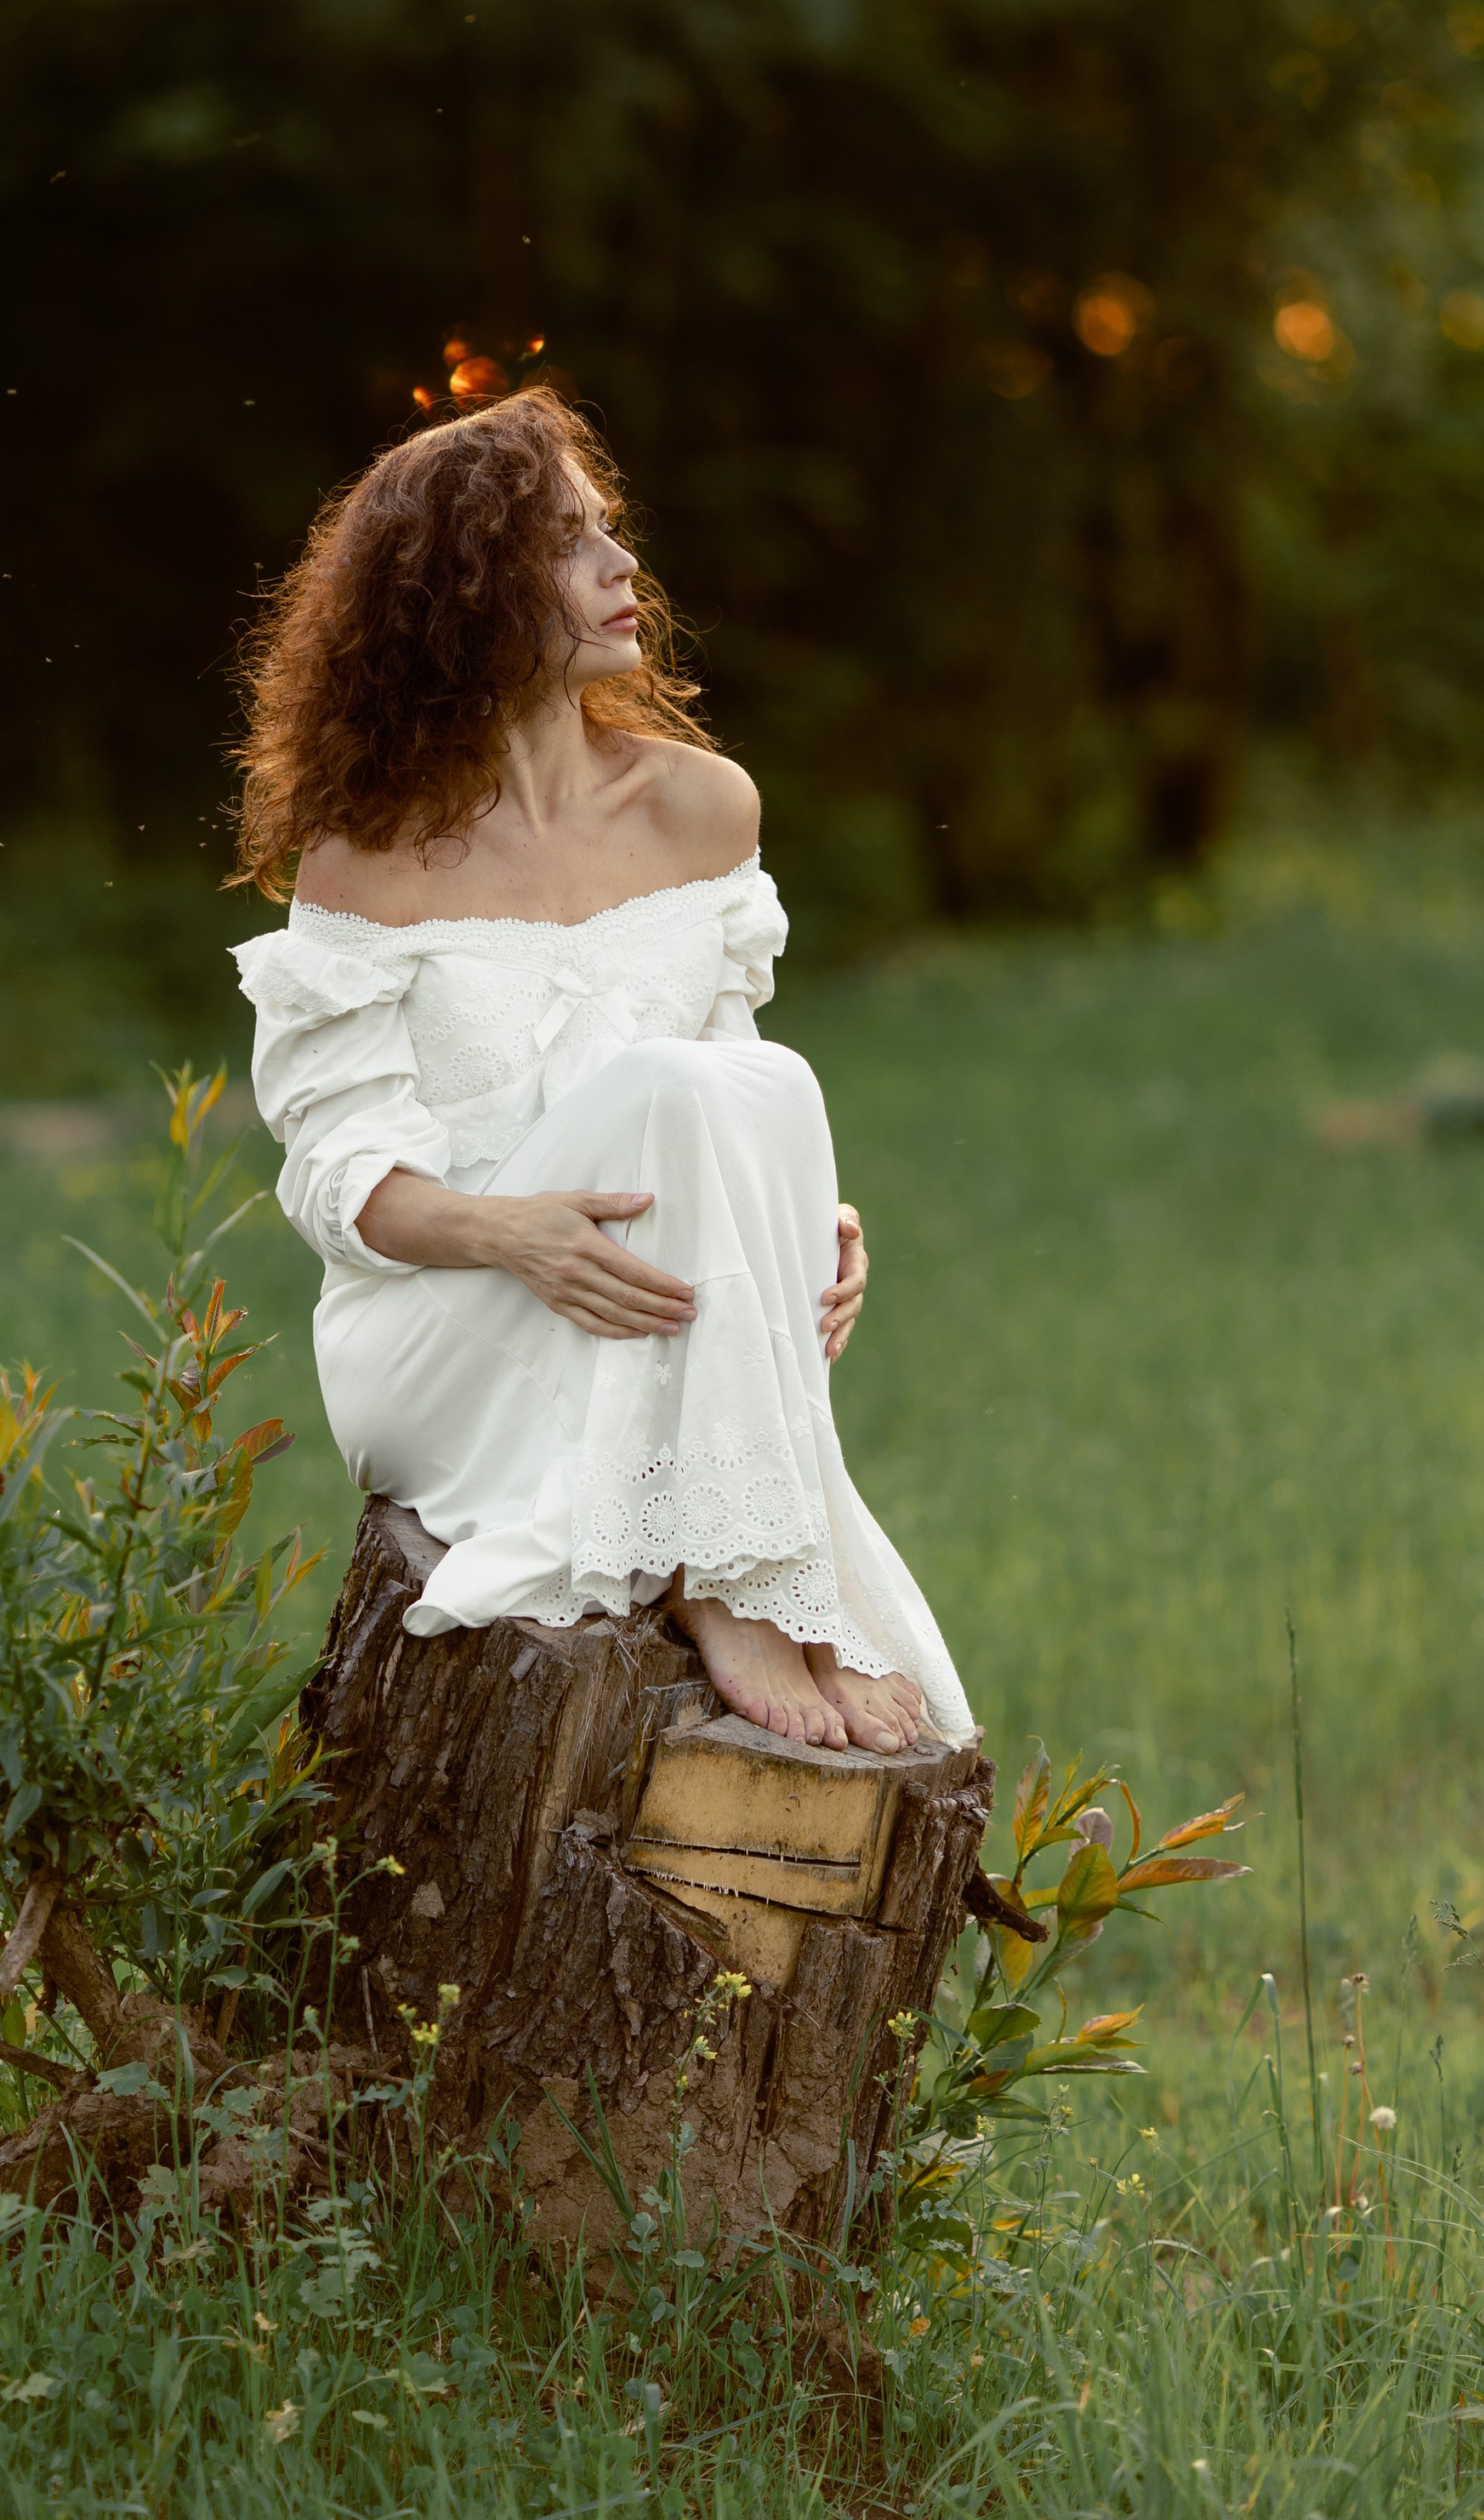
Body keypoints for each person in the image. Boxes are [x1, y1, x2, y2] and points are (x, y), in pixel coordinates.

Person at [228, 388, 973, 1752]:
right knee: (686, 1092)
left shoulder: (702, 805)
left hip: (654, 1309)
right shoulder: (366, 855)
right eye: (567, 547)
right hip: (450, 1329)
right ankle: (730, 1580)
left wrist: (813, 1214)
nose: (622, 569)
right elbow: (336, 1175)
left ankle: (742, 1559)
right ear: (466, 595)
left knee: (770, 1086)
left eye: (610, 535)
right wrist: (509, 1233)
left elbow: (732, 1085)